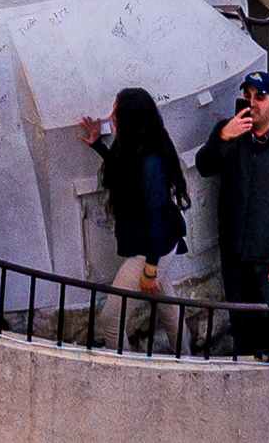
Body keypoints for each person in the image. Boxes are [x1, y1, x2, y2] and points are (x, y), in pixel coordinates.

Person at [193, 71, 269, 358]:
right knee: (243, 327)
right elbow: (204, 165)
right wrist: (224, 137)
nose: (252, 103)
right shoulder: (230, 133)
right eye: (248, 96)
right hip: (235, 256)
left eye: (260, 97)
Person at [77, 86, 188, 351]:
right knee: (168, 309)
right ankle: (189, 359)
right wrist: (98, 146)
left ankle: (129, 372)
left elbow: (158, 215)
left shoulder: (150, 163)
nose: (111, 117)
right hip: (154, 247)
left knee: (111, 321)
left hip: (151, 252)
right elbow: (123, 173)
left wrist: (150, 269)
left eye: (116, 113)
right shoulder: (134, 148)